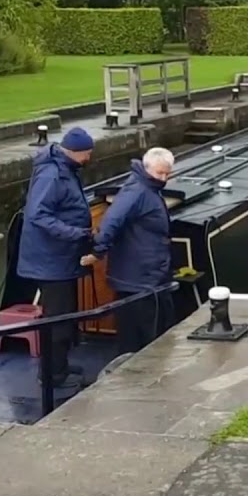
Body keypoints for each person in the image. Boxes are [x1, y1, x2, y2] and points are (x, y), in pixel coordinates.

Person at [16, 126, 95, 390]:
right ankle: (52, 376)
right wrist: (75, 233)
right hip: (50, 261)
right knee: (57, 318)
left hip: (60, 257)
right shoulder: (52, 174)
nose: (89, 159)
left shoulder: (65, 169)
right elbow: (37, 214)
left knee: (64, 315)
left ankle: (59, 365)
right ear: (78, 152)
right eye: (88, 154)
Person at [83, 147, 177, 356]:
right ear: (146, 168)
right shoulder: (137, 192)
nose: (163, 178)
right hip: (139, 280)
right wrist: (98, 251)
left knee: (151, 332)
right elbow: (112, 221)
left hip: (148, 277)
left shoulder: (148, 188)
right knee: (141, 338)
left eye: (166, 174)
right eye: (159, 173)